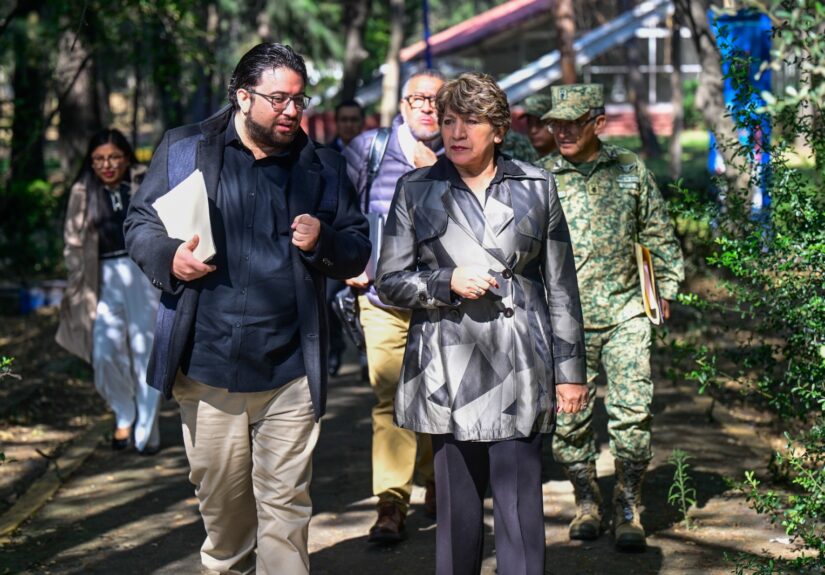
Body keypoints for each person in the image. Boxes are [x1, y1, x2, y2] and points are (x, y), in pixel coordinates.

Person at [124, 43, 370, 574]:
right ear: (242, 96)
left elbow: (357, 245)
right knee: (226, 516)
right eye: (278, 99)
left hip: (290, 372)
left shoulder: (324, 165)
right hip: (209, 367)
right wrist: (170, 258)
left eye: (299, 101)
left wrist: (324, 239)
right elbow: (139, 224)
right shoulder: (185, 148)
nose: (291, 111)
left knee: (286, 511)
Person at [376, 72, 587, 575]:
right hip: (447, 369)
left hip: (520, 364)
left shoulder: (537, 185)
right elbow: (389, 281)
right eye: (448, 120)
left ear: (498, 129)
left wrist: (570, 370)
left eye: (471, 121)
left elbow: (561, 284)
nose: (456, 132)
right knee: (457, 518)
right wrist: (445, 281)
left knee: (519, 518)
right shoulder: (416, 189)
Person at [540, 84, 684, 551]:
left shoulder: (628, 170)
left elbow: (657, 231)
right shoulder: (540, 177)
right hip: (567, 324)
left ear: (597, 124)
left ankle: (627, 505)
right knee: (569, 422)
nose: (560, 131)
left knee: (632, 415)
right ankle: (587, 500)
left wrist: (666, 286)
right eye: (555, 123)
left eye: (571, 123)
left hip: (626, 314)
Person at [342, 69, 445, 543]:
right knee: (391, 396)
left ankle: (434, 479)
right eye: (418, 98)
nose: (427, 107)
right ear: (403, 105)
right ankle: (391, 502)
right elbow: (338, 207)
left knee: (436, 395)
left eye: (436, 100)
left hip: (440, 302)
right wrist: (348, 260)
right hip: (382, 300)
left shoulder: (460, 152)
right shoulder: (369, 149)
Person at [56, 129, 162, 455]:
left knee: (146, 351)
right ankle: (124, 412)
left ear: (127, 157)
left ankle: (146, 430)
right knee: (104, 352)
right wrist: (77, 269)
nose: (107, 165)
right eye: (99, 159)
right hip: (101, 277)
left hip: (141, 272)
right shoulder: (82, 191)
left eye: (114, 157)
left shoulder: (144, 181)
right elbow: (72, 240)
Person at [326, 99, 366, 375]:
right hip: (333, 238)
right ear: (337, 123)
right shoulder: (323, 156)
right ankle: (334, 352)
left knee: (366, 298)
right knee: (329, 299)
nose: (349, 125)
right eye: (345, 120)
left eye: (354, 120)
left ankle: (367, 356)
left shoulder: (375, 154)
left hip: (368, 237)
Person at [520, 94, 557, 159]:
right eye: (529, 123)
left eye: (540, 123)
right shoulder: (523, 158)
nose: (533, 130)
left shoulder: (570, 158)